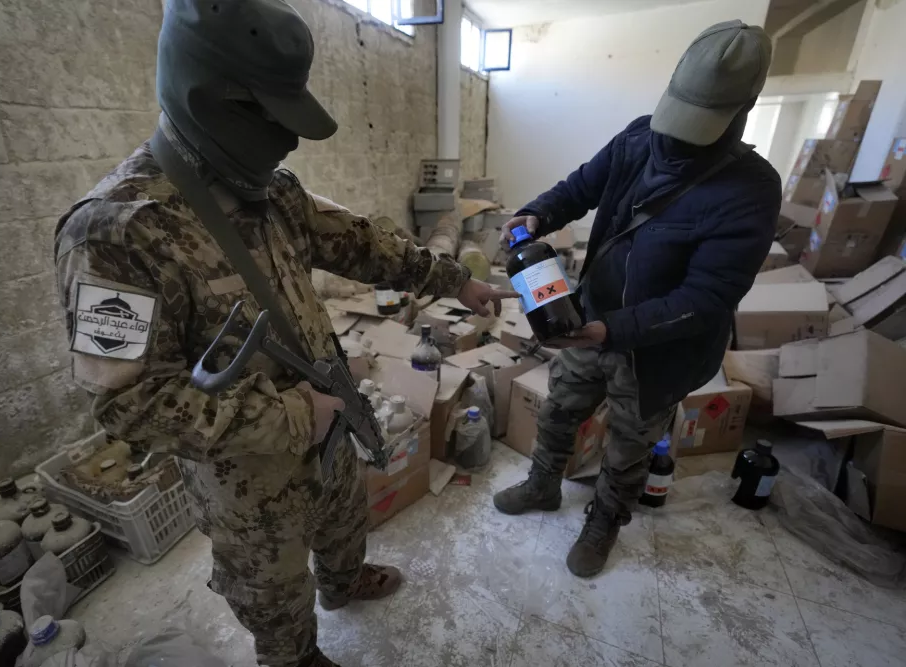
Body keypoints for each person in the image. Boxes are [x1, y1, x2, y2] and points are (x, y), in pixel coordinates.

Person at [53, 1, 515, 666]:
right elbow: (130, 404)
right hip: (249, 478)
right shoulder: (116, 233)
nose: (289, 142)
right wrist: (296, 415)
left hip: (328, 421)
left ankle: (344, 579)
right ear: (213, 100)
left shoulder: (272, 190)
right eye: (273, 119)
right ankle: (296, 655)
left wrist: (454, 280)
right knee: (274, 591)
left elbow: (362, 244)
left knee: (344, 517)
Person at [493, 20, 781, 578]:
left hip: (661, 349)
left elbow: (709, 296)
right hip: (592, 315)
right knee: (559, 410)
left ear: (742, 111)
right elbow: (580, 187)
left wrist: (613, 332)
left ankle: (604, 522)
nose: (675, 140)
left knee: (629, 445)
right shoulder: (637, 138)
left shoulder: (752, 190)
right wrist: (538, 213)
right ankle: (543, 485)